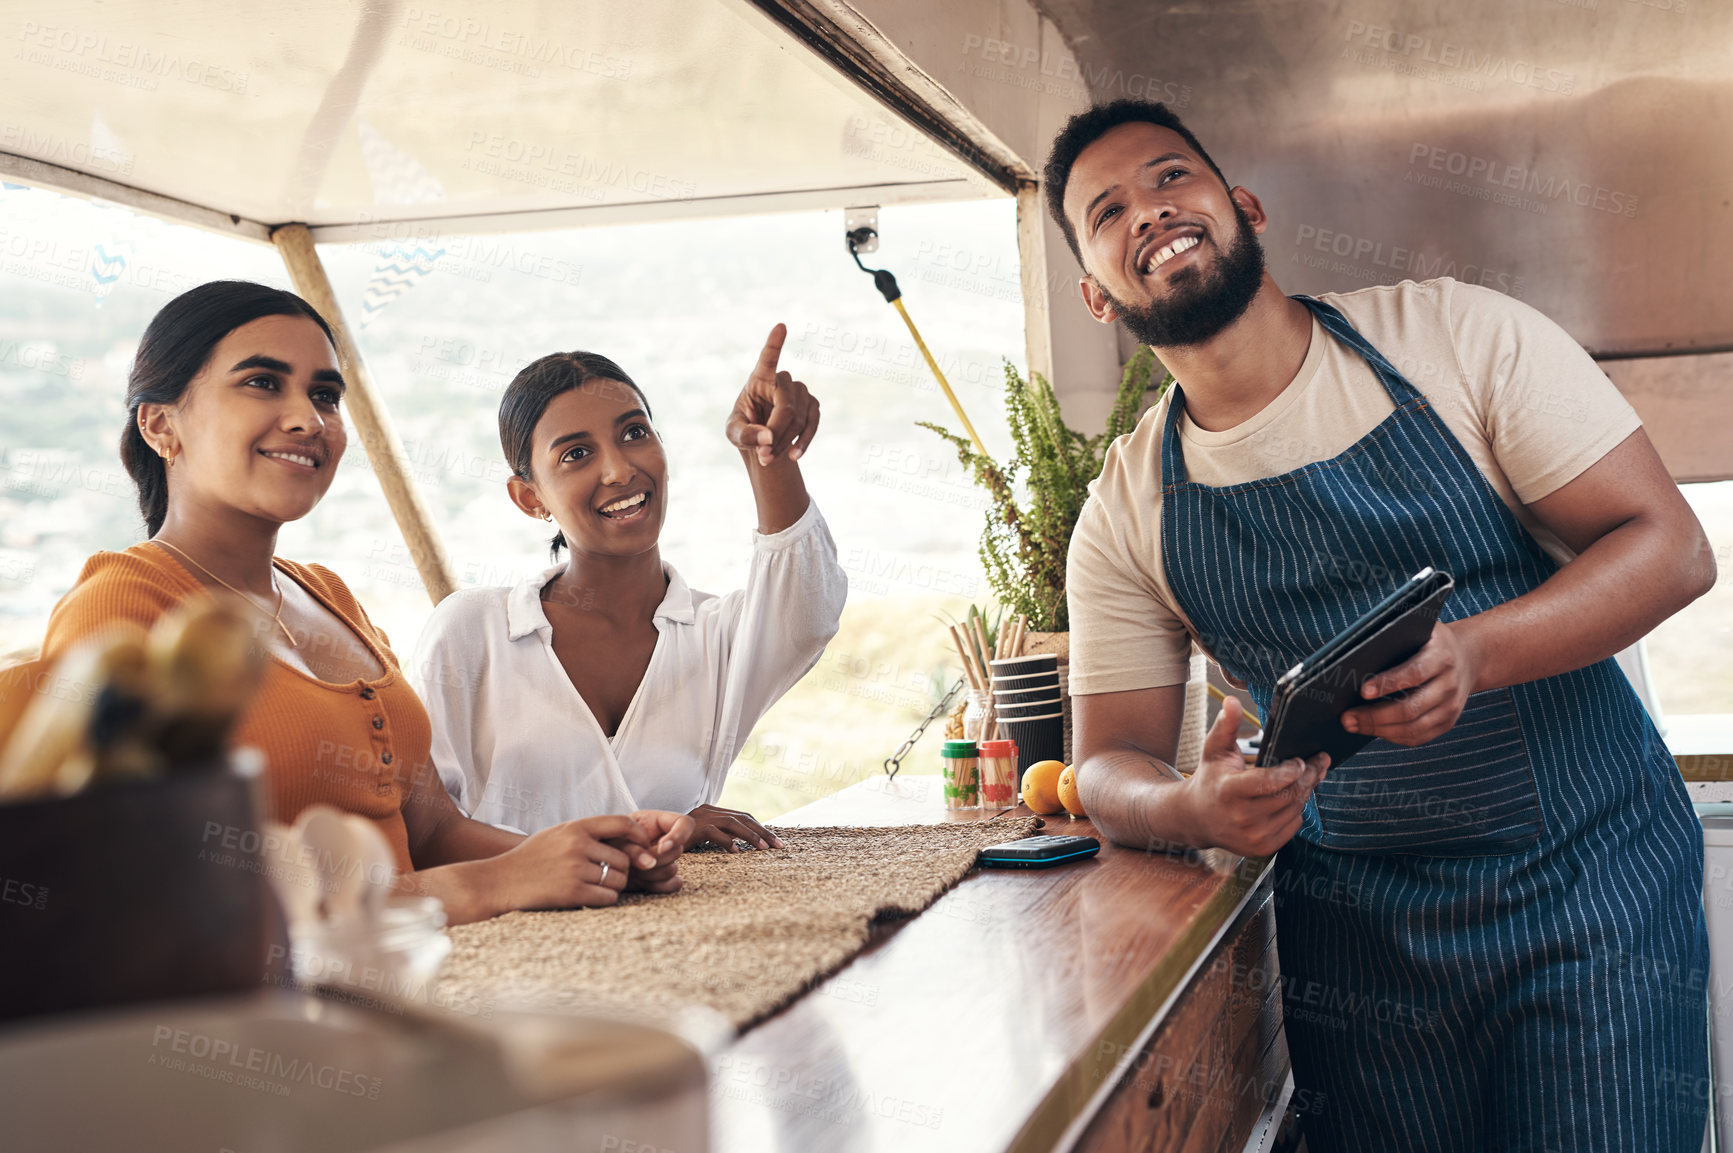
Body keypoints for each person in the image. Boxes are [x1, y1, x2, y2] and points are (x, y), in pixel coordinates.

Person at [1047, 100, 1716, 1152]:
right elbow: (1100, 766)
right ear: (1094, 293)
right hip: (1359, 952)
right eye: (1109, 210)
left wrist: (1474, 653)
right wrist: (1189, 806)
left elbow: (1668, 549)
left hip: (1589, 897)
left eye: (1172, 176)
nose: (1151, 211)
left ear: (1243, 205)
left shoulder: (1452, 336)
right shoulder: (1126, 509)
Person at [28, 280, 694, 924]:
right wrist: (487, 882)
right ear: (160, 425)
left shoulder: (329, 595)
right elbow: (139, 901)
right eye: (263, 382)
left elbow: (431, 829)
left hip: (432, 973)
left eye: (324, 394)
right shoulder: (121, 609)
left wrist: (597, 852)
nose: (307, 419)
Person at [412, 328, 846, 849]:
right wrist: (640, 839)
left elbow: (809, 612)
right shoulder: (471, 630)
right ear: (530, 498)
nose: (619, 469)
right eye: (575, 454)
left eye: (635, 433)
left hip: (678, 932)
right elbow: (427, 833)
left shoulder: (717, 636)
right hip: (510, 929)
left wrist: (765, 456)